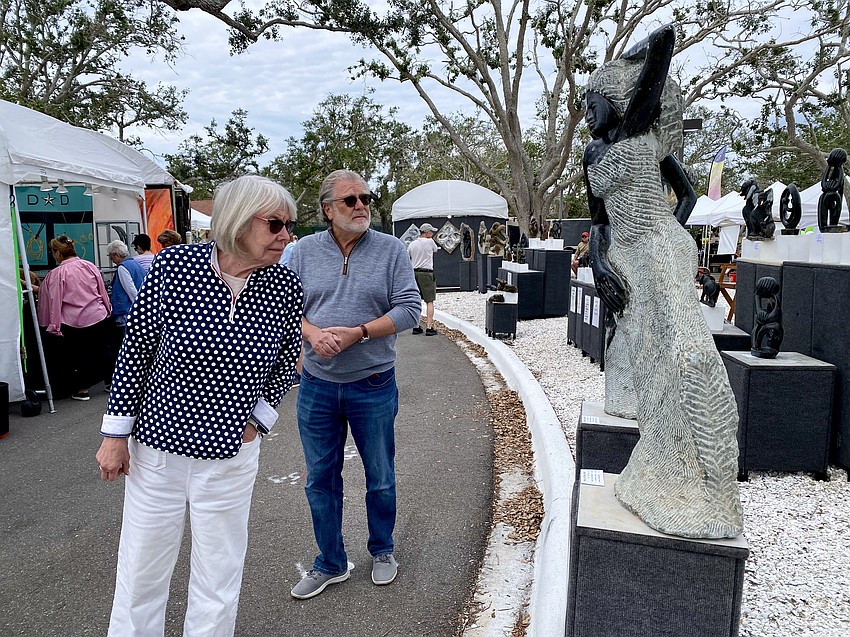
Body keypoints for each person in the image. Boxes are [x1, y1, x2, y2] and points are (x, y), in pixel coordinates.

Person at [96, 175, 303, 636]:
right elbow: (137, 351)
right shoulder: (174, 265)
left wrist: (259, 419)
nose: (285, 235)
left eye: (288, 225)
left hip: (230, 456)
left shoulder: (285, 286)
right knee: (141, 571)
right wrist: (114, 435)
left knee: (219, 576)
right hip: (157, 453)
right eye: (275, 224)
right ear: (236, 221)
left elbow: (289, 359)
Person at [583, 25, 742, 538]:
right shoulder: (592, 155)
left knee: (688, 352)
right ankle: (660, 463)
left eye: (595, 101)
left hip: (661, 247)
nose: (587, 111)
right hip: (625, 257)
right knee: (649, 363)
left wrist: (627, 59)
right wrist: (599, 263)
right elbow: (599, 221)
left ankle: (711, 483)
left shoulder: (639, 133)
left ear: (619, 101)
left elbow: (662, 43)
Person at [286, 169, 420, 600]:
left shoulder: (391, 250)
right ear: (328, 210)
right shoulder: (301, 252)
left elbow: (409, 310)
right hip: (317, 387)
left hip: (373, 383)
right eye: (350, 200)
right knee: (319, 479)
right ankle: (330, 562)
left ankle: (383, 550)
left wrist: (358, 332)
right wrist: (311, 333)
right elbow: (279, 304)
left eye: (366, 197)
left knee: (380, 475)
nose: (361, 205)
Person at [37, 235, 112, 401]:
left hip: (72, 320)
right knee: (102, 351)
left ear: (57, 253)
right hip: (96, 314)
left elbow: (54, 301)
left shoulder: (57, 273)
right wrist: (108, 309)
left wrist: (54, 325)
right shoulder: (89, 266)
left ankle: (82, 389)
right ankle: (110, 383)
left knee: (77, 356)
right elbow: (102, 290)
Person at [105, 240, 146, 390]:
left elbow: (131, 290)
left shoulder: (123, 268)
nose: (111, 260)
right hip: (135, 311)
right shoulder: (136, 264)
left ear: (116, 254)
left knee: (126, 346)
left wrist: (137, 308)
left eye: (111, 256)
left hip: (126, 311)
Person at [407, 223, 440, 335]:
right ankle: (429, 327)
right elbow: (435, 250)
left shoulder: (412, 244)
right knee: (429, 300)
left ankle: (416, 326)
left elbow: (409, 256)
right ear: (426, 233)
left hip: (414, 272)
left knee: (416, 300)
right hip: (426, 273)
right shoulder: (430, 242)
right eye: (431, 231)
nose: (432, 233)